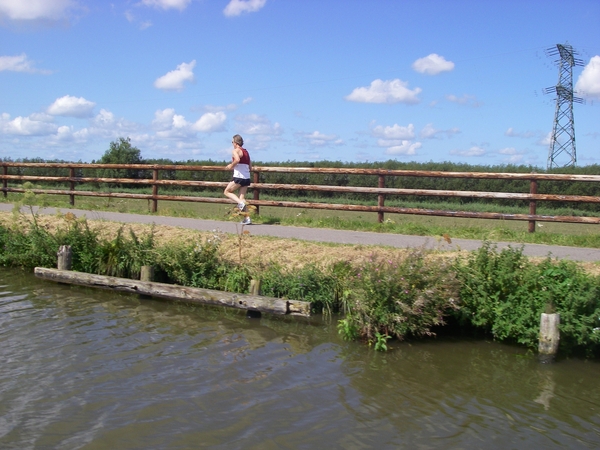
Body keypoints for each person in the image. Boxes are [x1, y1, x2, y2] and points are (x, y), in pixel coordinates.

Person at [224, 134, 252, 224]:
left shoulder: (235, 151)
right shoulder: (246, 152)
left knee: (227, 192)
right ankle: (247, 219)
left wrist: (230, 166)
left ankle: (240, 204)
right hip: (247, 177)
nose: (232, 143)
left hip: (239, 177)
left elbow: (237, 160)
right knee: (242, 197)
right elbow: (250, 167)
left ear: (235, 143)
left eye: (232, 142)